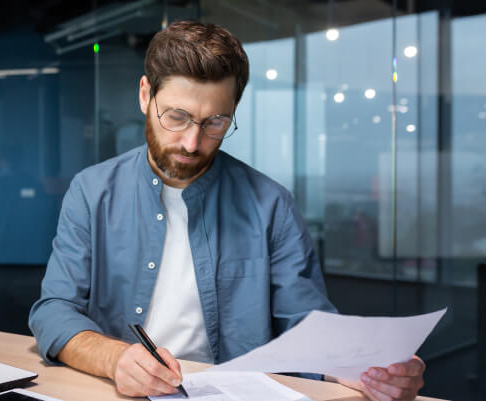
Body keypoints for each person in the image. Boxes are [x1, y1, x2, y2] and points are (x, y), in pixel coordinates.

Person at [28, 21, 425, 401]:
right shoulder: (92, 191)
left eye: (215, 122)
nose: (192, 142)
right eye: (177, 116)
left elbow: (306, 326)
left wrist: (363, 370)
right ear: (146, 94)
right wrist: (116, 359)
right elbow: (54, 310)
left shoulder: (270, 204)